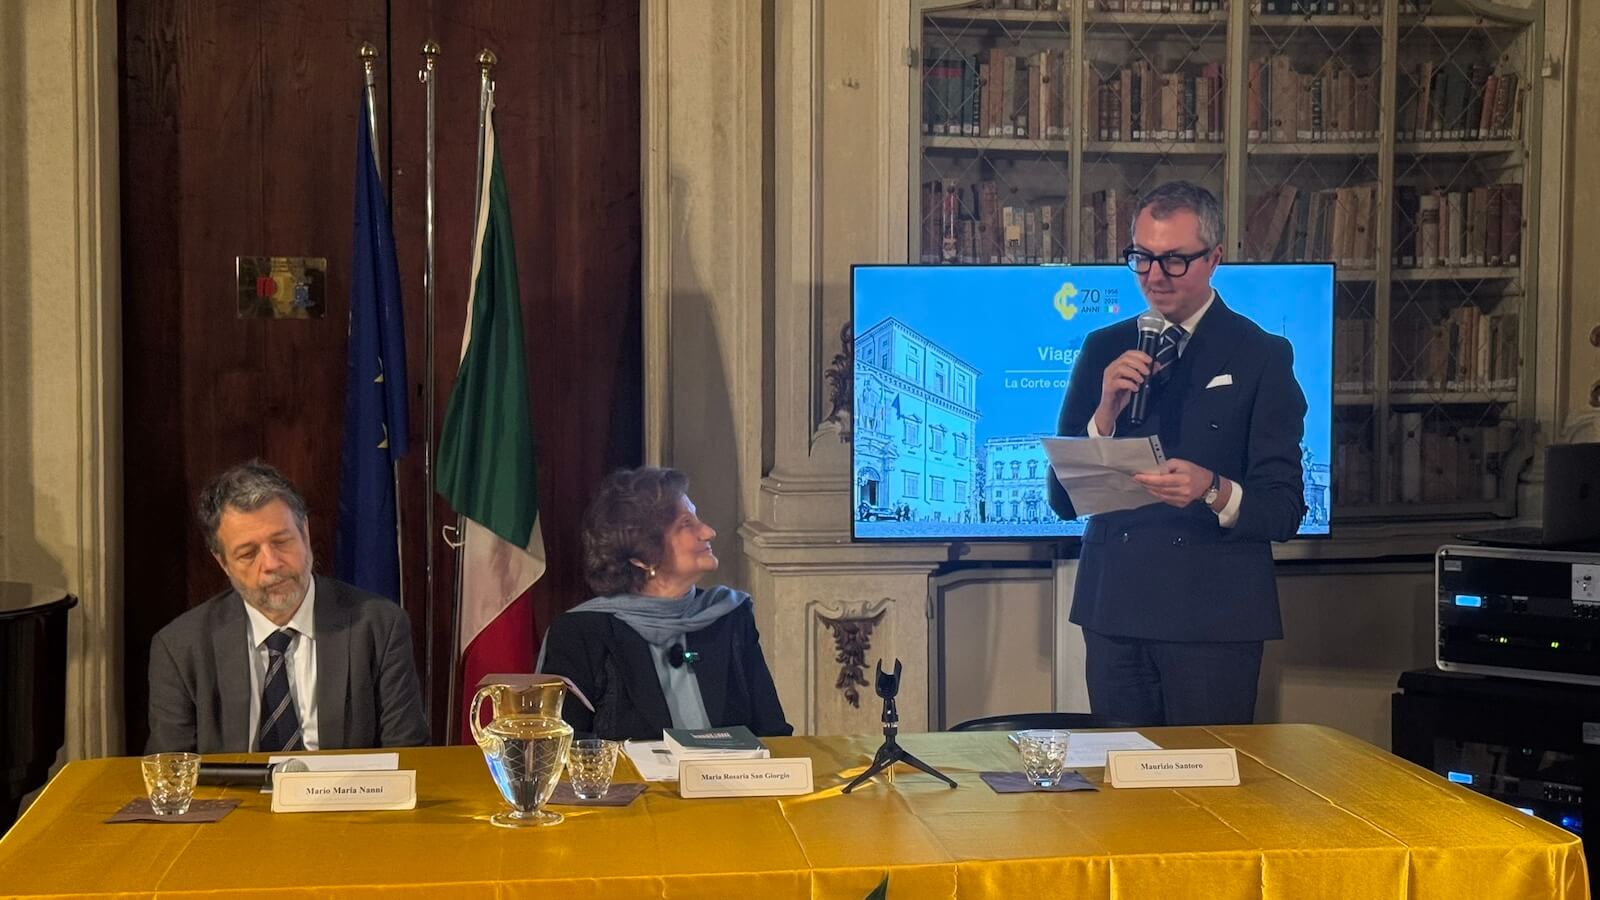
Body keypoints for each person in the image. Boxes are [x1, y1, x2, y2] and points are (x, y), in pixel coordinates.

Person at [1048, 180, 1306, 727]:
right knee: (1121, 775)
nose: (1155, 276)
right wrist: (1104, 414)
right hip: (1115, 612)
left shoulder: (1261, 355)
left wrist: (1213, 489)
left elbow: (1283, 510)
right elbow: (1062, 500)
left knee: (1206, 774)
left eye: (1174, 260)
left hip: (1213, 618)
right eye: (1141, 258)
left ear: (1214, 259)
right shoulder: (1103, 347)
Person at [146, 461, 429, 753]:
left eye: (282, 542)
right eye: (248, 554)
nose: (271, 564)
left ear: (305, 533)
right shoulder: (181, 648)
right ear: (223, 562)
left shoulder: (379, 627)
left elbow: (408, 756)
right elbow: (169, 771)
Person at [538, 467, 792, 740]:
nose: (708, 532)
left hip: (731, 770)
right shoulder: (581, 633)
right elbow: (563, 746)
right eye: (686, 524)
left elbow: (774, 735)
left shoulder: (730, 616)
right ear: (641, 556)